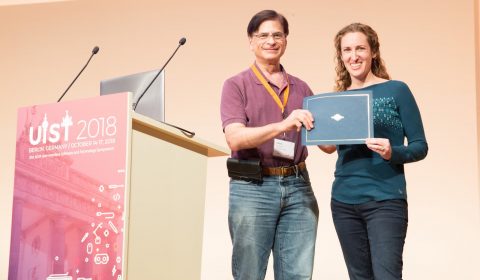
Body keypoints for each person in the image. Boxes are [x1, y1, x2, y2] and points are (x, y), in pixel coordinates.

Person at [220, 9, 325, 280]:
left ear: (286, 41)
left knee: (298, 274)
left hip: (298, 185)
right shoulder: (236, 85)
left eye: (277, 35)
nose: (271, 41)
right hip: (253, 187)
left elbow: (327, 144)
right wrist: (282, 125)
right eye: (263, 35)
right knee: (249, 273)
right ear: (251, 42)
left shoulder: (301, 87)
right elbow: (235, 137)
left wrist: (350, 125)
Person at [324, 23, 428, 280]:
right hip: (344, 201)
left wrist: (393, 152)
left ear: (373, 52)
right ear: (341, 56)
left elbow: (420, 145)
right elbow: (332, 147)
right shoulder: (337, 99)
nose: (354, 55)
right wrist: (320, 139)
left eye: (360, 48)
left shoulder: (396, 90)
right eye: (347, 50)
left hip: (385, 200)